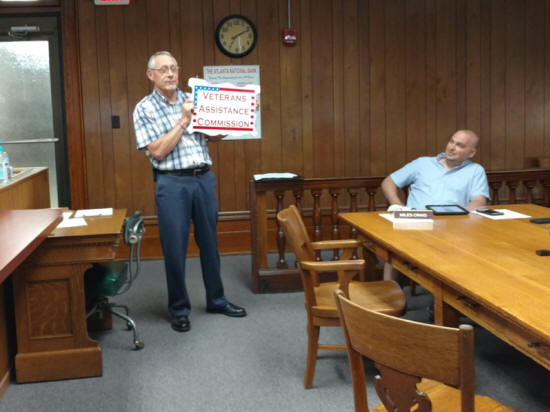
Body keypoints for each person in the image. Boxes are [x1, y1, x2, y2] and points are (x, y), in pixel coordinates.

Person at [133, 51, 246, 333]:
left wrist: (239, 113)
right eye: (163, 69)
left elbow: (214, 135)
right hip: (172, 183)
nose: (170, 74)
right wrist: (183, 120)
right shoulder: (144, 109)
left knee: (210, 244)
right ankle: (179, 309)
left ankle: (217, 300)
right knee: (174, 248)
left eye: (174, 68)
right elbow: (158, 151)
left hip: (203, 179)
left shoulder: (195, 98)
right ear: (150, 75)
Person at [381, 129, 490, 280]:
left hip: (453, 229)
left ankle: (447, 293)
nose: (452, 147)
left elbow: (479, 201)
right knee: (392, 246)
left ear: (471, 153)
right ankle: (389, 292)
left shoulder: (475, 170)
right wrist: (397, 206)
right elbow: (389, 182)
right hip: (416, 223)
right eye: (451, 142)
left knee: (471, 249)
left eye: (460, 145)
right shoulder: (422, 163)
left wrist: (457, 217)